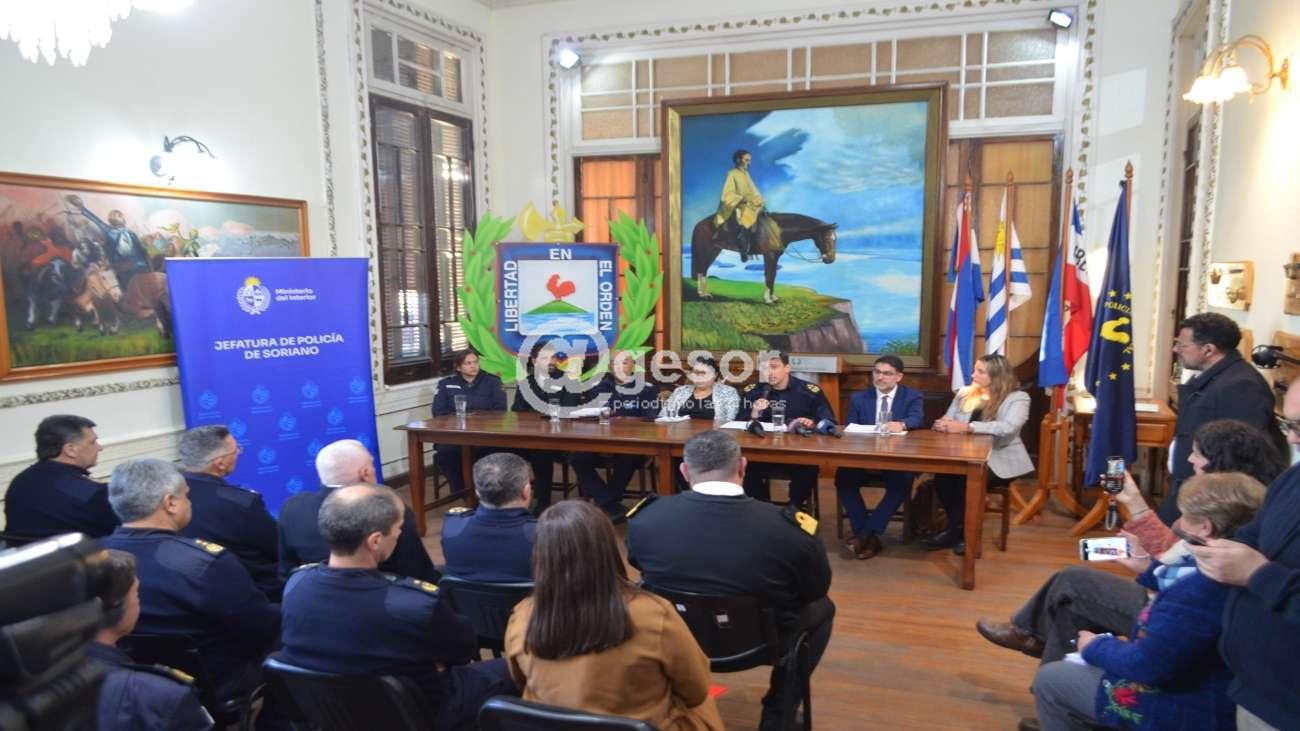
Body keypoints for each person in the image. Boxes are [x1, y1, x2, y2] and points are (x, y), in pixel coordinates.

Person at [977, 417, 1291, 669]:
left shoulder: (1226, 512)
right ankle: (1045, 664)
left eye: (1197, 453)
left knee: (1071, 586)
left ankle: (1034, 642)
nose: (1189, 458)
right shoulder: (1241, 500)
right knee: (1070, 595)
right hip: (1171, 595)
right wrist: (1137, 517)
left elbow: (1180, 566)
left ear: (1218, 462)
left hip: (1172, 612)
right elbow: (1178, 555)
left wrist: (1148, 565)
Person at [627, 429, 833, 730]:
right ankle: (778, 712)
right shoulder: (789, 530)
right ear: (742, 466)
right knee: (823, 609)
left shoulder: (646, 519)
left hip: (674, 635)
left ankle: (670, 697)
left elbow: (638, 565)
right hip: (762, 643)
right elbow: (815, 589)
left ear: (684, 471)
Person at [1030, 472, 1266, 731]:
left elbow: (1146, 666)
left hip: (1185, 708)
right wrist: (1147, 568)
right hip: (1215, 691)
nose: (1177, 523)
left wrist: (1095, 646)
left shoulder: (1200, 592)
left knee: (1051, 680)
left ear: (1205, 528)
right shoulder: (1246, 560)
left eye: (1184, 516)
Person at [280, 484, 516, 730]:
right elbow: (464, 650)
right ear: (375, 541)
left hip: (333, 715)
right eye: (398, 528)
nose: (400, 533)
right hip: (425, 713)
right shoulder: (413, 605)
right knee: (515, 667)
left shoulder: (295, 587)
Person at [506, 500, 723, 731]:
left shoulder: (522, 618)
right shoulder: (655, 614)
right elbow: (696, 690)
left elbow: (519, 680)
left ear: (541, 556)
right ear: (607, 547)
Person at [100, 459, 280, 702]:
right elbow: (262, 628)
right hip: (219, 686)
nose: (190, 502)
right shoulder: (206, 563)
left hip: (131, 686)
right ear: (170, 503)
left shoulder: (92, 557)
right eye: (187, 496)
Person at [1185, 378, 1300, 730]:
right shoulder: (1292, 480)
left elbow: (1260, 568)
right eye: (1288, 424)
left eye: (1299, 427)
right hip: (1254, 689)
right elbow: (1254, 536)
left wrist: (1258, 575)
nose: (1292, 439)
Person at [1165, 312, 1281, 524]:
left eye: (1182, 345)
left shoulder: (1243, 386)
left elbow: (1237, 457)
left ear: (1208, 349)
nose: (1176, 350)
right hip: (1191, 489)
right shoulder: (1216, 377)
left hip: (1209, 503)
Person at [276, 439, 439, 583]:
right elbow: (417, 571)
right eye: (372, 465)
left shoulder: (292, 508)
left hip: (314, 594)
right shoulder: (390, 510)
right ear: (365, 474)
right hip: (383, 597)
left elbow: (286, 569)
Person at [88, 548, 214, 731]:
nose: (138, 602)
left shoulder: (48, 675)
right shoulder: (163, 696)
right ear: (118, 608)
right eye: (136, 594)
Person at [922, 353, 1032, 555]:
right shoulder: (965, 393)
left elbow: (1008, 427)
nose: (973, 375)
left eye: (980, 371)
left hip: (999, 457)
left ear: (996, 375)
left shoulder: (1018, 398)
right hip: (962, 454)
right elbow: (947, 418)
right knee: (943, 479)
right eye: (974, 370)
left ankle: (962, 535)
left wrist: (968, 427)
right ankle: (959, 531)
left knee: (966, 482)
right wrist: (942, 424)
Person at [834, 354, 925, 560]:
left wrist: (902, 424)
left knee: (902, 482)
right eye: (876, 372)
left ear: (898, 377)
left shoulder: (912, 396)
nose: (880, 377)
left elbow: (917, 418)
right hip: (864, 455)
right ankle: (867, 536)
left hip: (896, 457)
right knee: (843, 478)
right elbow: (851, 426)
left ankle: (864, 535)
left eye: (886, 373)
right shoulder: (859, 398)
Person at [176, 425, 280, 600]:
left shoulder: (168, 497)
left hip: (192, 591)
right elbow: (277, 547)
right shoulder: (242, 504)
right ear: (220, 463)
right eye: (235, 450)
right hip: (254, 593)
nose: (239, 452)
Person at [570, 350, 662, 520]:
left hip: (631, 442)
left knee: (627, 456)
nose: (618, 367)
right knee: (578, 457)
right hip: (599, 440)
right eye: (614, 363)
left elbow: (651, 417)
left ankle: (608, 502)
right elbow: (589, 415)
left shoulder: (646, 388)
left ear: (633, 365)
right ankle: (609, 503)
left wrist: (621, 417)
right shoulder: (597, 387)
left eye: (624, 362)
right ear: (609, 366)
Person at [740, 351, 836, 508]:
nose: (769, 372)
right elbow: (738, 423)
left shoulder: (808, 391)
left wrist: (811, 423)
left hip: (798, 452)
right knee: (746, 467)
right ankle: (763, 510)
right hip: (762, 452)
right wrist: (754, 413)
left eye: (774, 367)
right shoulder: (752, 392)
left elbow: (828, 420)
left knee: (808, 469)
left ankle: (792, 510)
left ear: (787, 368)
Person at [5, 414, 119, 539]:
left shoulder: (20, 481)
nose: (99, 448)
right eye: (92, 442)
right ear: (70, 450)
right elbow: (127, 529)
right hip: (81, 551)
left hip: (26, 550)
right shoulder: (90, 494)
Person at [441, 453, 537, 582]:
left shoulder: (452, 527)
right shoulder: (544, 535)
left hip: (464, 596)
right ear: (526, 491)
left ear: (477, 493)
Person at [511, 341, 582, 512]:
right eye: (545, 358)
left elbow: (568, 409)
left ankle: (542, 502)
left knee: (541, 452)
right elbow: (517, 411)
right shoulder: (526, 383)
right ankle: (507, 499)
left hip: (560, 438)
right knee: (498, 448)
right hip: (529, 437)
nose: (551, 361)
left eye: (553, 357)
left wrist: (538, 414)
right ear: (534, 361)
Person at [432, 349, 508, 496]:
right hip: (455, 434)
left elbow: (500, 411)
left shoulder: (492, 381)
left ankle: (485, 492)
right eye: (467, 363)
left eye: (475, 362)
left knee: (489, 452)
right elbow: (438, 413)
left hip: (485, 434)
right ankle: (462, 492)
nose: (473, 366)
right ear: (458, 367)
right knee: (446, 453)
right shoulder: (446, 384)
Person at [713, 149, 765, 261]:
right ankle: (744, 249)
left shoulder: (746, 174)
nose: (749, 163)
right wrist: (741, 199)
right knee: (745, 222)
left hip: (750, 205)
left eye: (749, 160)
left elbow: (754, 191)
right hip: (737, 206)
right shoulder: (732, 173)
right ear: (738, 160)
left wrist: (759, 200)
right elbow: (726, 194)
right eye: (746, 160)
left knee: (764, 218)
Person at [657, 355, 740, 421]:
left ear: (715, 375)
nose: (699, 377)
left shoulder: (728, 392)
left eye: (704, 373)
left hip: (714, 435)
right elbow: (663, 416)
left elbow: (731, 421)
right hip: (679, 434)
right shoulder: (680, 391)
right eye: (696, 373)